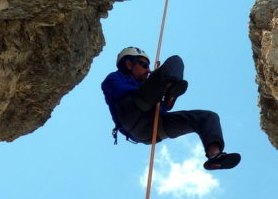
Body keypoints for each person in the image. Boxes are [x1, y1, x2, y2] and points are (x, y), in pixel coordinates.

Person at [101, 46, 241, 170]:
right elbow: (123, 91)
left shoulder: (141, 84)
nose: (148, 70)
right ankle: (168, 90)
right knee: (171, 65)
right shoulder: (113, 78)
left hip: (152, 129)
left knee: (208, 117)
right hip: (132, 115)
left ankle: (215, 156)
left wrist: (158, 86)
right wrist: (154, 82)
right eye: (144, 65)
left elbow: (159, 110)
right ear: (128, 64)